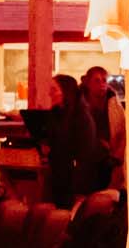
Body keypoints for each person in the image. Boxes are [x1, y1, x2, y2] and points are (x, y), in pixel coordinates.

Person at [40, 72, 97, 208]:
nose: (50, 94)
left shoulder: (81, 116)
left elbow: (85, 152)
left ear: (65, 92)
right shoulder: (55, 114)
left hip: (73, 177)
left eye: (54, 90)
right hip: (58, 171)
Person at [80, 65, 127, 188]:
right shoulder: (80, 105)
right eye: (97, 80)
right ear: (88, 83)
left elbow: (123, 131)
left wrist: (117, 156)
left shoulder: (114, 103)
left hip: (110, 161)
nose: (102, 84)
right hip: (85, 163)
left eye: (104, 80)